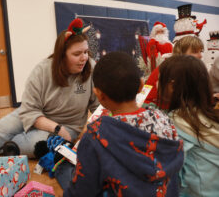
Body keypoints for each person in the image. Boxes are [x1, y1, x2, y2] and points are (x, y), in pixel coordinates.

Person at [63, 51, 184, 197]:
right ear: (141, 86)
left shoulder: (96, 135)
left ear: (99, 94)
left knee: (63, 170)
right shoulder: (165, 121)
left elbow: (82, 191)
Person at [0, 18, 99, 158]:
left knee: (35, 145)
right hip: (34, 115)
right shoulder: (42, 70)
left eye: (86, 52)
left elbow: (98, 107)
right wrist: (57, 128)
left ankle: (0, 152)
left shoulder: (91, 68)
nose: (84, 58)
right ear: (62, 55)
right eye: (77, 54)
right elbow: (30, 110)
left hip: (68, 126)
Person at [158, 55, 219, 197]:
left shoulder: (176, 121)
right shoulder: (209, 115)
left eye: (159, 80)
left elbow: (173, 174)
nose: (156, 84)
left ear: (172, 86)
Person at [144, 36, 204, 108]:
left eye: (201, 51)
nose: (200, 56)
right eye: (195, 52)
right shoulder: (171, 69)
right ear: (181, 53)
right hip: (155, 110)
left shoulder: (185, 68)